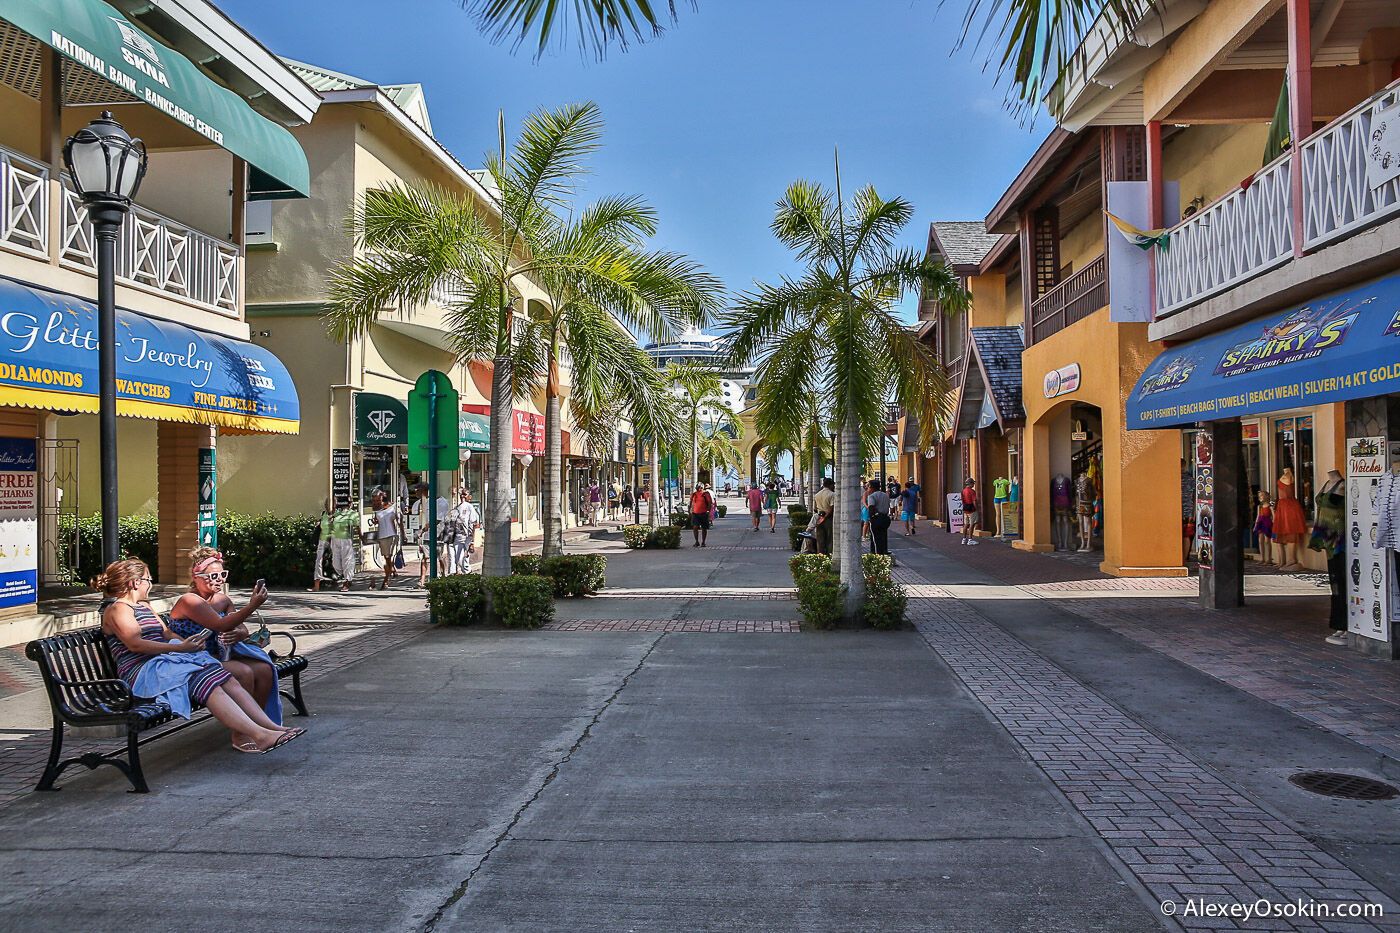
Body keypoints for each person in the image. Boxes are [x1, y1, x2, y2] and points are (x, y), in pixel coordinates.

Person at [99, 559, 301, 754]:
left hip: (164, 663)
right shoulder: (118, 609)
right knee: (203, 678)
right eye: (148, 580)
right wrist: (180, 649)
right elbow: (135, 644)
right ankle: (260, 735)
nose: (150, 586)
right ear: (135, 583)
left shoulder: (144, 606)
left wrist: (189, 643)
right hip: (141, 671)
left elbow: (167, 634)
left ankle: (270, 727)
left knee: (222, 676)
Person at [169, 547, 284, 724]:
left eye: (223, 575)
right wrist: (252, 606)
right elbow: (221, 624)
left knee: (265, 669)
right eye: (214, 576)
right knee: (244, 672)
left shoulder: (222, 600)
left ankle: (260, 723)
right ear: (196, 577)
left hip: (220, 657)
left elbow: (243, 630)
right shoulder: (189, 601)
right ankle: (241, 733)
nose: (220, 580)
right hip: (194, 660)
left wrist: (237, 634)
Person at [370, 490, 400, 590]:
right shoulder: (377, 509)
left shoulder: (393, 508)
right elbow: (377, 521)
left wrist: (403, 535)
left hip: (392, 535)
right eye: (375, 500)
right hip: (382, 536)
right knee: (387, 558)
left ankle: (386, 580)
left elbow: (399, 521)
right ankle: (392, 570)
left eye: (379, 500)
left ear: (383, 499)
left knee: (389, 556)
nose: (377, 502)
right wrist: (375, 521)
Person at [328, 497, 357, 590]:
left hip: (345, 539)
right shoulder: (336, 513)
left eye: (350, 502)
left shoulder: (352, 514)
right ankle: (346, 578)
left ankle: (347, 582)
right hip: (335, 539)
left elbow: (356, 526)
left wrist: (361, 537)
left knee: (347, 561)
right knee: (336, 563)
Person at [308, 498, 332, 592]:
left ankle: (346, 582)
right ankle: (316, 585)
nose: (329, 506)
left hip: (334, 540)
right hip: (323, 540)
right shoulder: (324, 515)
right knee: (318, 560)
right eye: (327, 504)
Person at [866, 480, 892, 555]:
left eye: (869, 487)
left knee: (875, 538)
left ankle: (876, 553)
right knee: (883, 535)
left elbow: (871, 508)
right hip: (885, 518)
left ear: (872, 487)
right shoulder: (885, 495)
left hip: (877, 518)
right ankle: (884, 551)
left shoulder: (872, 496)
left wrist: (871, 518)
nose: (868, 489)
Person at [813, 477, 836, 555]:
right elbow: (831, 508)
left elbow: (815, 509)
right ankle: (829, 555)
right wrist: (825, 517)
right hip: (829, 518)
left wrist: (821, 517)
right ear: (830, 485)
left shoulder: (817, 495)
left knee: (820, 539)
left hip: (819, 517)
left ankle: (820, 556)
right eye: (833, 485)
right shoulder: (832, 494)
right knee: (830, 539)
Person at [689, 483, 714, 547]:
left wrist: (708, 511)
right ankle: (696, 541)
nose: (699, 489)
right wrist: (690, 510)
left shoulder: (706, 494)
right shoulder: (694, 494)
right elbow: (691, 502)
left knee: (704, 528)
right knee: (695, 527)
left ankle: (703, 542)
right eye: (698, 488)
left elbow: (710, 503)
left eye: (700, 488)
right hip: (695, 513)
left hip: (704, 513)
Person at [960, 478, 980, 545]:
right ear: (971, 483)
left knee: (966, 524)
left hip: (965, 509)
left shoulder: (963, 491)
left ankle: (964, 539)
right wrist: (977, 509)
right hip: (972, 509)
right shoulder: (972, 491)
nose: (974, 484)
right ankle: (970, 539)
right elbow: (974, 501)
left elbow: (962, 500)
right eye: (973, 483)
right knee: (972, 524)